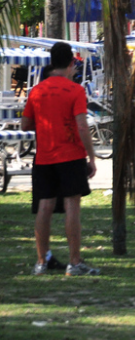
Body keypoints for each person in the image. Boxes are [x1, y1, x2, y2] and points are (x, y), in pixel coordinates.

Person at [22, 42, 99, 276]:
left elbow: (25, 124)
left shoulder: (36, 91)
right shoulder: (75, 90)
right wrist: (92, 157)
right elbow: (82, 126)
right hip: (70, 155)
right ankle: (74, 262)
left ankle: (41, 261)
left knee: (44, 206)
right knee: (72, 205)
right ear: (71, 63)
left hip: (44, 156)